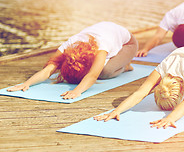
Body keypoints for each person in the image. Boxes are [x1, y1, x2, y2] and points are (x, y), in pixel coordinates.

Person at [94, 44, 184, 129]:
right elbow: (140, 92)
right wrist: (116, 111)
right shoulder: (163, 68)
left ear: (182, 89)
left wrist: (170, 118)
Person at [7, 21, 138, 99]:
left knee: (104, 72)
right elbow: (48, 70)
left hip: (128, 44)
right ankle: (118, 60)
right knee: (99, 67)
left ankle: (126, 66)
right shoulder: (69, 44)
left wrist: (77, 91)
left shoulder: (101, 46)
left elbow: (92, 76)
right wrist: (27, 83)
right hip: (108, 36)